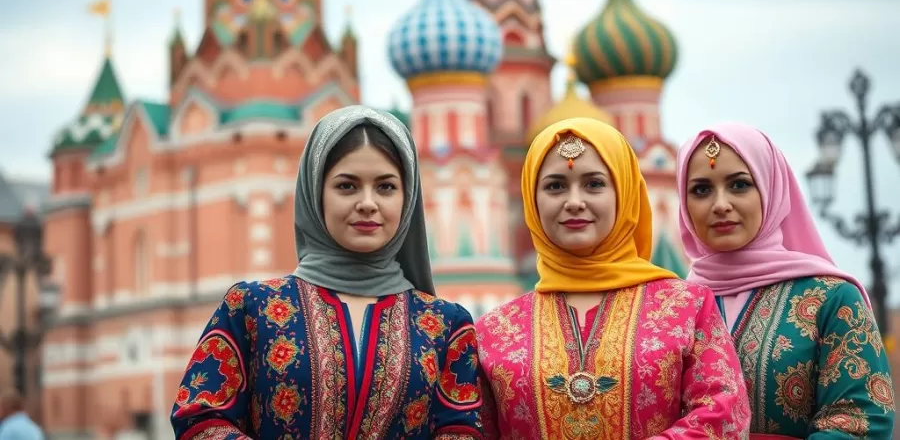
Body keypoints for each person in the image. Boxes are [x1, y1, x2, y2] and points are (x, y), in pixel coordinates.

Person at [171, 106, 485, 439]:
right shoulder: (251, 309)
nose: (367, 202)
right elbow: (200, 418)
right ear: (314, 193)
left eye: (386, 187)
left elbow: (462, 429)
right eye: (347, 186)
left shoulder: (444, 325)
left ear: (408, 199)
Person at [476, 117, 750, 439]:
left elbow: (723, 415)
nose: (574, 201)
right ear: (531, 200)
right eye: (555, 186)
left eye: (594, 184)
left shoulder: (687, 308)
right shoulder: (493, 330)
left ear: (623, 192)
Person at [677, 122, 896, 439]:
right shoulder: (670, 306)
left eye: (739, 185)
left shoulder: (832, 298)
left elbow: (861, 420)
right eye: (701, 189)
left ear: (771, 189)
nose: (720, 204)